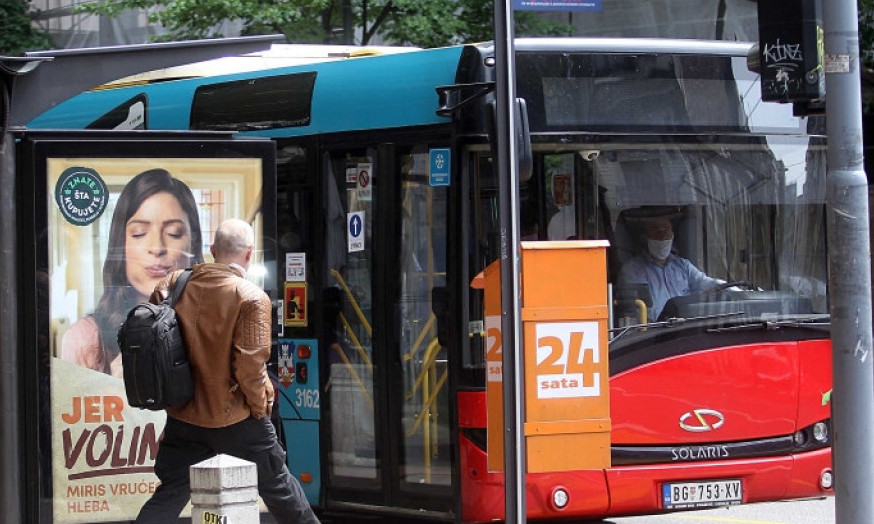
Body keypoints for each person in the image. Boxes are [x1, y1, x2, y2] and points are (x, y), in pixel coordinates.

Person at [135, 219, 320, 524]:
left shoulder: (173, 284)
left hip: (184, 415)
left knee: (171, 493)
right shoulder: (251, 297)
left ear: (212, 249)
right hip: (235, 415)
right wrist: (259, 411)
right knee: (279, 486)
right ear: (249, 253)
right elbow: (250, 368)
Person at [60, 168, 204, 376]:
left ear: (193, 242)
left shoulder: (218, 328)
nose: (157, 247)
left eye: (174, 233)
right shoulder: (85, 340)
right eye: (139, 233)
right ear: (120, 242)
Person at [618, 215, 723, 321]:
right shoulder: (632, 270)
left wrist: (727, 287)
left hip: (689, 326)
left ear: (672, 235)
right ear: (644, 238)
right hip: (656, 329)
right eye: (655, 230)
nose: (662, 236)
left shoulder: (683, 265)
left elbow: (706, 284)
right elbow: (641, 312)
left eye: (666, 230)